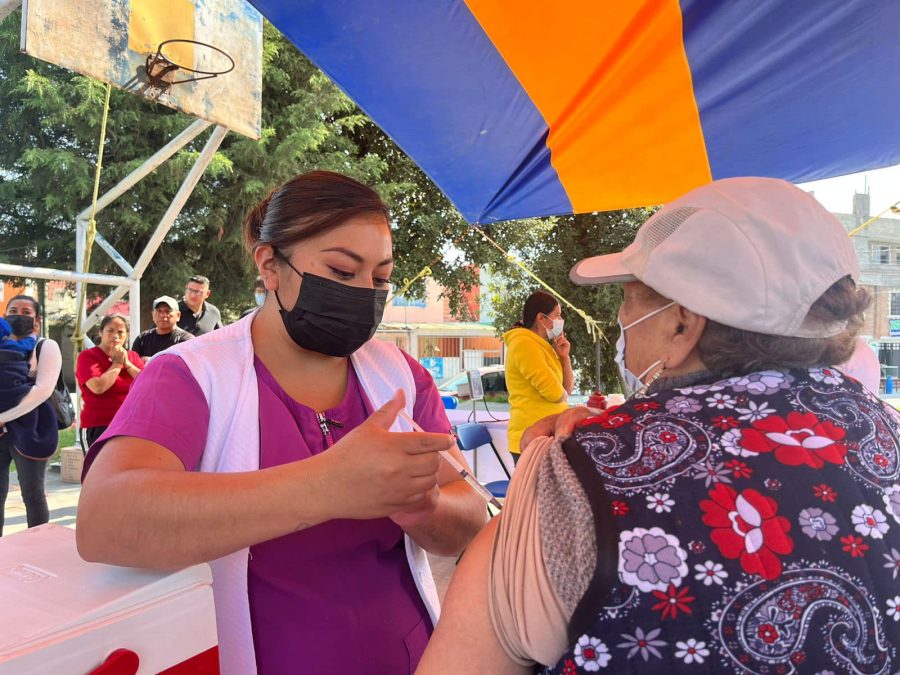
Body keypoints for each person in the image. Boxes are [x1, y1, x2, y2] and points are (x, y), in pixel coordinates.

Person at [418, 177, 900, 674]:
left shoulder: (581, 477)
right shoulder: (887, 431)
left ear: (682, 325)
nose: (621, 321)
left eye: (627, 301)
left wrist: (590, 453)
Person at [76, 170, 486, 675]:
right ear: (270, 265)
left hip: (410, 656)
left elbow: (466, 519)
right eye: (341, 272)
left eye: (380, 279)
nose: (364, 293)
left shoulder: (401, 377)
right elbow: (106, 523)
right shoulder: (190, 375)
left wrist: (424, 506)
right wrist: (328, 486)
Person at [0, 295, 62, 535]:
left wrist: (3, 418)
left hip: (31, 428)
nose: (18, 315)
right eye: (13, 310)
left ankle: (39, 545)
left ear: (37, 320)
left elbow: (42, 391)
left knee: (32, 493)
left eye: (26, 312)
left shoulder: (45, 346)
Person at [503, 291, 574, 462]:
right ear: (541, 318)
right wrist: (563, 398)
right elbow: (555, 393)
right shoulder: (524, 344)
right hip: (530, 440)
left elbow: (567, 390)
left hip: (547, 437)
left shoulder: (542, 346)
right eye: (556, 316)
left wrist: (564, 357)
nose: (560, 321)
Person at [75, 314, 143, 450]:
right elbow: (98, 387)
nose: (115, 336)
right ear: (101, 332)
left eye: (120, 332)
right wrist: (117, 363)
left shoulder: (133, 357)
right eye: (110, 330)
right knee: (97, 470)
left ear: (127, 335)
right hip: (98, 425)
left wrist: (127, 364)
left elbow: (146, 384)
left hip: (128, 426)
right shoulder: (88, 357)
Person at [132, 295, 194, 362]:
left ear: (178, 315)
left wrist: (152, 360)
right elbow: (133, 364)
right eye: (159, 311)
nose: (162, 315)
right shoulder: (142, 338)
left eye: (167, 311)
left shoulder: (186, 340)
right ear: (153, 314)